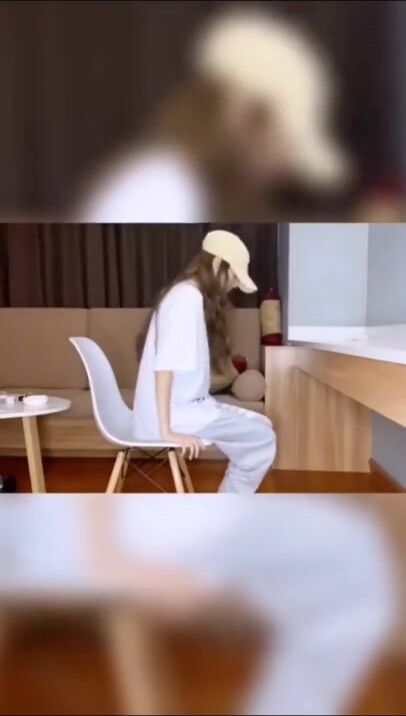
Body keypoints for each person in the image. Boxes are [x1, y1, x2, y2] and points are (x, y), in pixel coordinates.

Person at [75, 7, 353, 223]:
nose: (282, 170)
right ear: (242, 115)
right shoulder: (161, 192)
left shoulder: (184, 187)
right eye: (283, 145)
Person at [133, 229, 276, 494]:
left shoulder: (186, 295)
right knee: (262, 438)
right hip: (175, 415)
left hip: (185, 409)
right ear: (218, 265)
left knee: (262, 427)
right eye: (234, 277)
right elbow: (164, 368)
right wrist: (166, 431)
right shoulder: (186, 298)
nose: (234, 286)